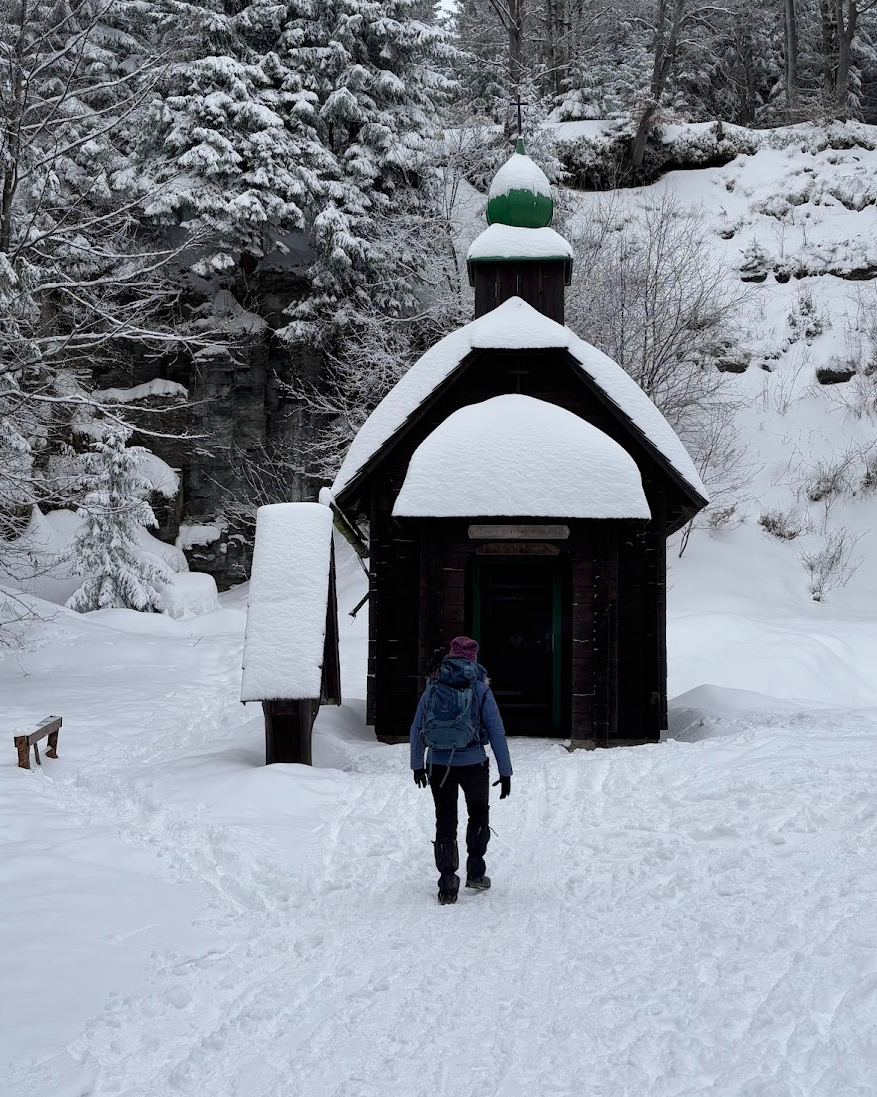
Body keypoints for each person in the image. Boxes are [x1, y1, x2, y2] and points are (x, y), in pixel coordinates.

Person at [410, 636, 513, 905]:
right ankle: (476, 874)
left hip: (438, 764)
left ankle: (447, 885)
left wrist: (417, 764)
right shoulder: (480, 688)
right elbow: (496, 731)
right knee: (478, 814)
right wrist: (505, 771)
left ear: (450, 655)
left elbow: (417, 727)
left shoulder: (433, 684)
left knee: (445, 818)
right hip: (474, 763)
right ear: (474, 658)